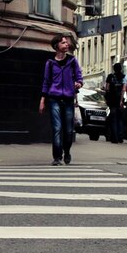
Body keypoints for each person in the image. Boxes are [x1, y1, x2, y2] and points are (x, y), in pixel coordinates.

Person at [39, 33, 83, 165]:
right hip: (54, 99)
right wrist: (42, 101)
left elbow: (79, 76)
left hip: (69, 99)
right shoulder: (50, 63)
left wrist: (79, 83)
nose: (67, 44)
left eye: (67, 42)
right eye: (63, 42)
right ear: (56, 46)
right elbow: (46, 82)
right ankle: (57, 157)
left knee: (68, 130)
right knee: (57, 128)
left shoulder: (72, 61)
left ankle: (67, 151)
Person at [103, 62, 125, 143]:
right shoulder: (124, 77)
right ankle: (120, 137)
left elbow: (107, 88)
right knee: (120, 119)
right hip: (120, 100)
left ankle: (114, 138)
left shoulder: (110, 76)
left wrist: (106, 97)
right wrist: (122, 100)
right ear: (121, 69)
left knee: (113, 119)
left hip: (112, 100)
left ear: (114, 69)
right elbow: (124, 89)